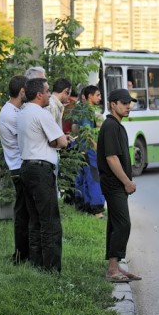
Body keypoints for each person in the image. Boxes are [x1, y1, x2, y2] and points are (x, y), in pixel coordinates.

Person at [17, 78, 71, 272]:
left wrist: (55, 141)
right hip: (41, 170)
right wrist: (60, 141)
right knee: (50, 221)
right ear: (39, 94)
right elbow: (61, 142)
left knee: (35, 220)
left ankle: (36, 262)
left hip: (26, 167)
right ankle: (51, 268)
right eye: (48, 91)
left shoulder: (22, 112)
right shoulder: (42, 113)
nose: (50, 94)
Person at [97, 89, 142, 283]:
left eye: (129, 103)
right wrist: (126, 181)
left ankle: (115, 266)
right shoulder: (110, 126)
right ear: (112, 104)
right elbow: (111, 157)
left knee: (115, 223)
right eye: (123, 103)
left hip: (116, 184)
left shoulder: (116, 125)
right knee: (123, 224)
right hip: (114, 184)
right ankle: (112, 270)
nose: (128, 106)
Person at [0, 75, 29, 263]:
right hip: (18, 167)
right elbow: (28, 136)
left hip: (19, 165)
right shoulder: (11, 114)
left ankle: (23, 254)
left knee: (25, 212)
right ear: (22, 92)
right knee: (23, 214)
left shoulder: (15, 110)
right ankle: (20, 255)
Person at [73, 85, 105, 218]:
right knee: (94, 178)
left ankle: (83, 206)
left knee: (84, 178)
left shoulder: (80, 108)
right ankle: (97, 210)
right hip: (90, 149)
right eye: (97, 95)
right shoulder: (87, 110)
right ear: (89, 96)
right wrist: (96, 147)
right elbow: (87, 133)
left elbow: (75, 128)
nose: (100, 98)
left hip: (81, 148)